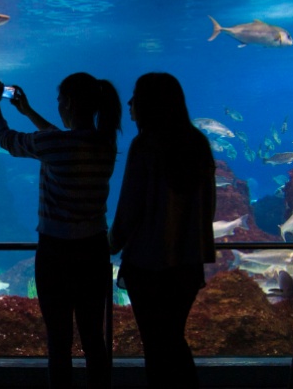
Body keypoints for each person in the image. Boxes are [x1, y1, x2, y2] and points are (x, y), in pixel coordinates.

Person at [0, 74, 120, 388]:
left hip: (56, 252)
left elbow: (5, 139)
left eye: (60, 100)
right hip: (94, 251)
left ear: (69, 103)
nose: (58, 106)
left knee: (58, 342)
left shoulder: (55, 143)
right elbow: (61, 139)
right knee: (93, 340)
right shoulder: (105, 143)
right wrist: (29, 111)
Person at [109, 72, 216, 388]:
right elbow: (208, 208)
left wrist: (111, 243)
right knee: (172, 339)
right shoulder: (198, 143)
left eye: (135, 96)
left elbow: (129, 207)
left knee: (156, 346)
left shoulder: (145, 145)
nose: (129, 103)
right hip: (187, 263)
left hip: (147, 263)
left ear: (150, 103)